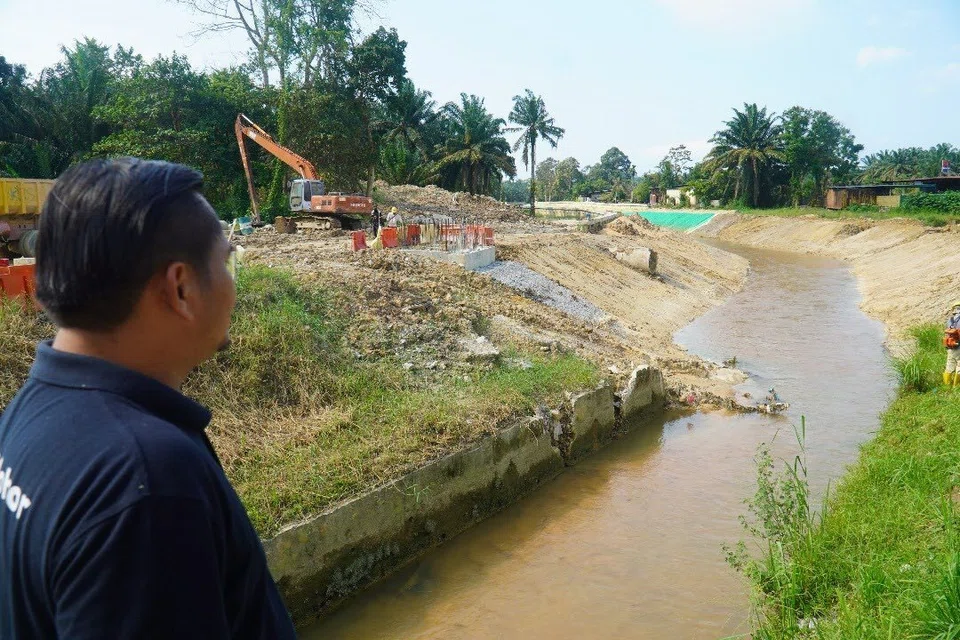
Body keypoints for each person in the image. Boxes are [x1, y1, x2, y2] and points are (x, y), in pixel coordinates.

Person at [0, 158, 296, 639]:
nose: (232, 282)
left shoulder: (30, 410)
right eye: (225, 261)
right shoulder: (148, 481)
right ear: (180, 288)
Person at [944, 300, 960, 387]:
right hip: (959, 346)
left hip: (950, 346)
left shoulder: (950, 320)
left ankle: (946, 386)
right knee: (959, 366)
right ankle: (956, 386)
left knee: (949, 366)